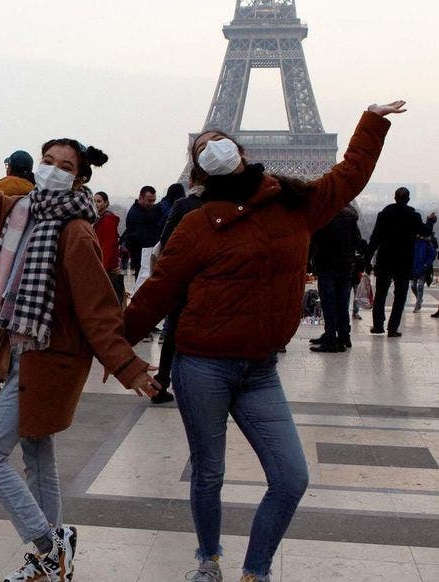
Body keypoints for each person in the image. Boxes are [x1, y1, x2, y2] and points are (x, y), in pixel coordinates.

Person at [122, 100, 405, 582]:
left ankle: (255, 571)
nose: (213, 148)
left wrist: (371, 122)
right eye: (203, 147)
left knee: (291, 477)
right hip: (202, 365)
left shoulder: (293, 204)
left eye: (219, 141)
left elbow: (349, 176)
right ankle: (208, 561)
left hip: (260, 368)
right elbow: (155, 296)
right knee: (209, 472)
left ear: (241, 152)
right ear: (198, 170)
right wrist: (111, 351)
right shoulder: (195, 225)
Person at [0, 95, 159, 582]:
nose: (52, 169)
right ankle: (52, 563)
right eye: (47, 160)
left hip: (49, 359)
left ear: (79, 179)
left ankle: (49, 545)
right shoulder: (21, 212)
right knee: (36, 456)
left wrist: (130, 367)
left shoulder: (75, 233)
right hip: (16, 351)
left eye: (64, 166)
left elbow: (98, 309)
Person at [147, 185, 205, 404]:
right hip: (211, 280)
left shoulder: (183, 205)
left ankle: (162, 382)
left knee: (172, 332)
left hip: (183, 277)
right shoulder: (229, 205)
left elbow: (166, 241)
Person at [366, 187, 428, 337]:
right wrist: (431, 222)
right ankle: (393, 328)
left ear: (394, 198)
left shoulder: (384, 214)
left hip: (385, 259)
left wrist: (367, 258)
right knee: (400, 296)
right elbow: (424, 232)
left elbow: (375, 238)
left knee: (381, 294)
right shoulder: (413, 216)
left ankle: (378, 325)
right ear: (408, 199)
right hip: (404, 261)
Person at [308, 205, 362, 352]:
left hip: (326, 264)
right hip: (345, 265)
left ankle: (331, 338)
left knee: (329, 303)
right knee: (342, 303)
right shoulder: (350, 216)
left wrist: (310, 262)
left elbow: (314, 240)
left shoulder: (323, 215)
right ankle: (344, 337)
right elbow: (356, 241)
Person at [122, 185, 162, 279]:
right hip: (140, 256)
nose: (152, 204)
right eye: (149, 201)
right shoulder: (134, 214)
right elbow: (139, 237)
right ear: (141, 198)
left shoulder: (144, 211)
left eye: (154, 201)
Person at [93, 191, 124, 305]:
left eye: (99, 201)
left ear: (106, 203)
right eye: (94, 201)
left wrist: (102, 269)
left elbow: (108, 247)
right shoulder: (99, 219)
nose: (96, 204)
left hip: (107, 269)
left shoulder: (107, 220)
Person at [411, 227, 438, 312]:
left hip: (423, 268)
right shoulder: (415, 242)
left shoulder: (427, 243)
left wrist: (426, 264)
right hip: (415, 268)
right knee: (413, 286)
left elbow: (432, 254)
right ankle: (419, 300)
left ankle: (418, 305)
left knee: (420, 286)